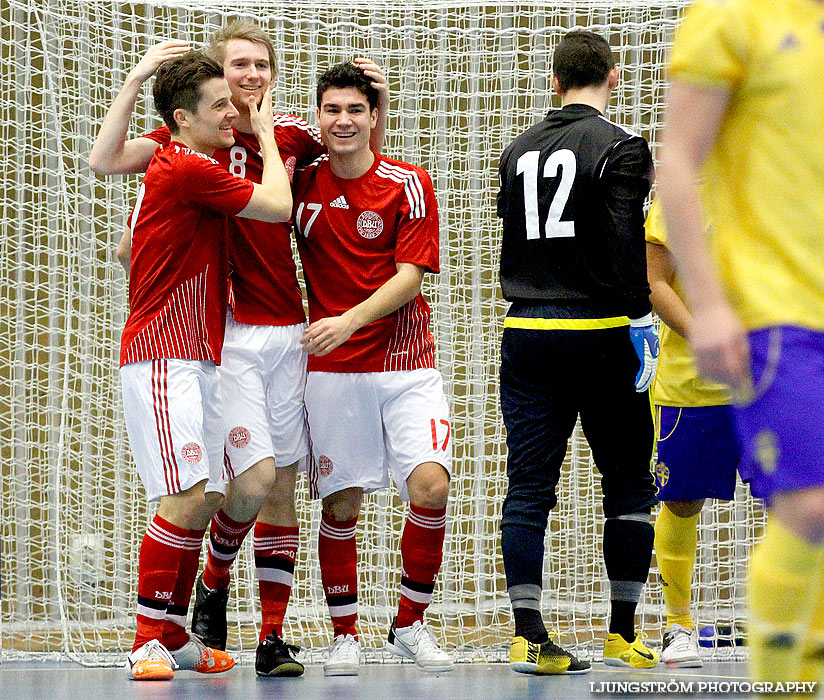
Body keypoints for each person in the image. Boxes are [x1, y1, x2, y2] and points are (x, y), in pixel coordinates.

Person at [90, 20, 387, 677]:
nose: (246, 82)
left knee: (248, 487)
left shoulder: (278, 134)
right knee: (202, 489)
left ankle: (229, 631)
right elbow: (104, 162)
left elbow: (359, 162)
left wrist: (376, 105)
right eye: (233, 72)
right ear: (214, 88)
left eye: (258, 66)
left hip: (251, 336)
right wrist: (139, 79)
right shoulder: (187, 148)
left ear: (272, 75)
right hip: (202, 342)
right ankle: (163, 627)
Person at [657, 1, 824, 690]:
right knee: (805, 504)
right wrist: (712, 307)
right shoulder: (731, 17)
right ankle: (774, 675)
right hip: (775, 312)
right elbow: (676, 162)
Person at [112, 50, 292, 680]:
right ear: (183, 119)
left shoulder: (176, 155)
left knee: (211, 490)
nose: (232, 112)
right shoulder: (188, 166)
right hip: (163, 355)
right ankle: (145, 639)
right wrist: (266, 134)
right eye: (220, 105)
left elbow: (105, 160)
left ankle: (175, 633)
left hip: (199, 354)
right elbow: (277, 204)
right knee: (185, 495)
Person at [496, 29, 660, 675]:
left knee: (530, 485)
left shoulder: (516, 149)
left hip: (528, 332)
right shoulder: (622, 146)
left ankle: (528, 633)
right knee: (628, 483)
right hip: (601, 334)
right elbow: (624, 243)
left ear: (553, 82)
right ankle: (621, 632)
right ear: (614, 78)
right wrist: (642, 316)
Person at [292, 61, 453, 676]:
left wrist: (349, 320)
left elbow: (410, 277)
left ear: (375, 116)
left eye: (356, 109)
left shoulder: (408, 182)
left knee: (431, 486)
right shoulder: (300, 187)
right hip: (333, 374)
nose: (343, 120)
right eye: (332, 109)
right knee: (341, 505)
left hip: (405, 365)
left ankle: (410, 626)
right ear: (318, 117)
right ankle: (344, 635)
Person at [645, 196, 758, 667]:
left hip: (773, 375)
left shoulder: (782, 180)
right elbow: (654, 283)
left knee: (794, 498)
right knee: (682, 499)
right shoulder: (681, 195)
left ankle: (798, 622)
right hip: (692, 380)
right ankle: (678, 624)